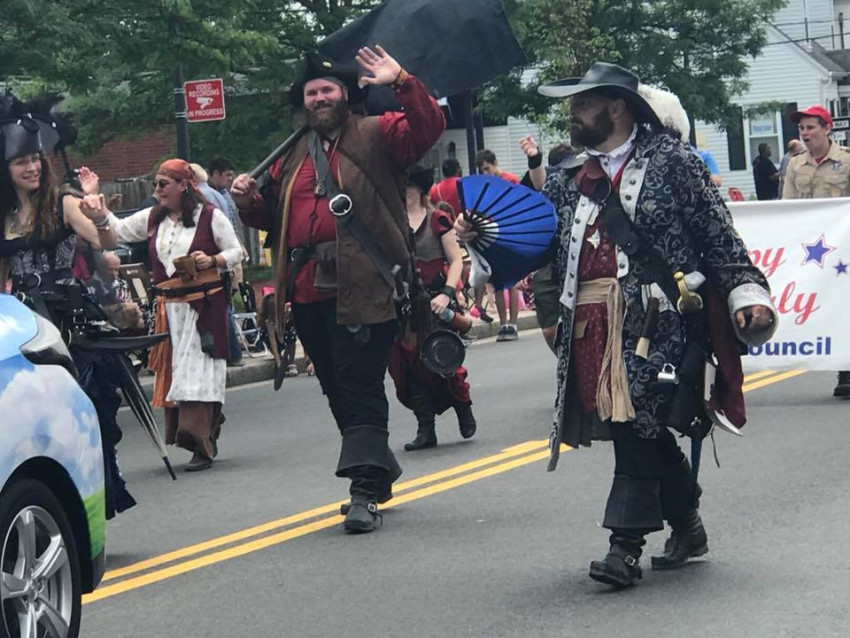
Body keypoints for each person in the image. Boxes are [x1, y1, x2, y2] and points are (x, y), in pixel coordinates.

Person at [457, 62, 776, 588]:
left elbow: (721, 240)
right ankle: (687, 521)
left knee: (638, 425)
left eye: (583, 103)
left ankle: (623, 546)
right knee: (637, 429)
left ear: (618, 107)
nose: (573, 112)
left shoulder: (675, 164)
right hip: (589, 326)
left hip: (659, 320)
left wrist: (747, 296)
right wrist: (480, 237)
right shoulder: (566, 181)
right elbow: (536, 249)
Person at [231, 46, 445, 533]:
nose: (320, 97)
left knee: (359, 383)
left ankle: (364, 489)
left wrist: (402, 80)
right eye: (312, 92)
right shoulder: (289, 157)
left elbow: (425, 130)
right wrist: (249, 204)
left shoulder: (378, 132)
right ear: (303, 102)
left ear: (345, 95)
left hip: (367, 285)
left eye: (328, 89)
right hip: (307, 291)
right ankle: (377, 467)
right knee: (335, 388)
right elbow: (275, 222)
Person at [0, 93, 140, 519]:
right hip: (24, 325)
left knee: (86, 414)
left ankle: (96, 508)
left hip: (68, 320)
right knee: (36, 422)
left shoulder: (63, 202)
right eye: (21, 161)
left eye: (36, 158)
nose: (32, 166)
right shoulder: (3, 216)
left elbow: (107, 243)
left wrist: (98, 215)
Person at [104, 159, 243, 471]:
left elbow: (237, 251)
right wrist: (98, 210)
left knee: (198, 373)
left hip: (204, 308)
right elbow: (118, 231)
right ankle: (209, 425)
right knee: (179, 377)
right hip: (170, 312)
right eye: (156, 184)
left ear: (184, 185)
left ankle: (200, 444)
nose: (157, 190)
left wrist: (212, 260)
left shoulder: (210, 216)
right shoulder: (155, 218)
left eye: (163, 184)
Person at [388, 165, 476, 451]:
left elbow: (456, 260)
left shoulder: (438, 219)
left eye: (409, 187)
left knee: (445, 361)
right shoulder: (389, 221)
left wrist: (447, 293)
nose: (404, 192)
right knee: (408, 368)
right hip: (402, 304)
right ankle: (425, 428)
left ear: (421, 190)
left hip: (435, 300)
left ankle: (463, 407)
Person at [781, 105, 850, 396]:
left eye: (811, 128)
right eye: (802, 129)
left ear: (826, 129)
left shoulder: (846, 162)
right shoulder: (795, 165)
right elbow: (787, 208)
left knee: (844, 305)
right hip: (810, 250)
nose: (805, 133)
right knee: (817, 306)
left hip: (843, 248)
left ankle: (846, 370)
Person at [518, 138, 581, 352]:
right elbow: (540, 182)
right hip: (546, 260)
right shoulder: (549, 181)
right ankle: (565, 359)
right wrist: (534, 160)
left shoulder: (585, 180)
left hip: (577, 255)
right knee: (549, 328)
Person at [193, 163, 246, 367]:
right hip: (229, 255)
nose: (230, 179)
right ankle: (233, 352)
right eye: (227, 174)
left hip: (217, 261)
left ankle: (230, 352)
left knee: (222, 309)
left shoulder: (207, 199)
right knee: (227, 306)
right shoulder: (221, 196)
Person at [474, 149, 523, 341]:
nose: (485, 173)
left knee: (512, 282)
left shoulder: (510, 180)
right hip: (493, 235)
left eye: (487, 168)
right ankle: (504, 324)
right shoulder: (485, 184)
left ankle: (514, 323)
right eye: (482, 170)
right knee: (498, 282)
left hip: (510, 233)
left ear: (495, 164)